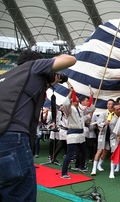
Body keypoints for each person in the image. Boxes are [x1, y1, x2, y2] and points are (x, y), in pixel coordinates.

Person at [0, 50, 76, 201]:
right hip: (12, 138)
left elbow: (25, 95)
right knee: (20, 195)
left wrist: (47, 83)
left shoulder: (6, 76)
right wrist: (50, 71)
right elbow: (70, 59)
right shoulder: (33, 66)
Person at [60, 83, 95, 179]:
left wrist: (91, 96)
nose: (77, 101)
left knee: (83, 151)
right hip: (73, 134)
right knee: (70, 154)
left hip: (80, 134)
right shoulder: (69, 109)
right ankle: (64, 173)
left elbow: (91, 108)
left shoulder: (80, 109)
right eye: (75, 100)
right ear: (72, 101)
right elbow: (65, 103)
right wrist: (70, 93)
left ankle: (81, 166)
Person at [91, 99, 114, 176]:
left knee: (106, 151)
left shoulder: (115, 114)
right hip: (103, 133)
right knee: (100, 150)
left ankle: (99, 164)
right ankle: (94, 168)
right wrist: (104, 123)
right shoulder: (103, 113)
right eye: (109, 104)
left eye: (111, 104)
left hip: (111, 135)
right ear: (107, 105)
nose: (110, 105)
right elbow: (98, 123)